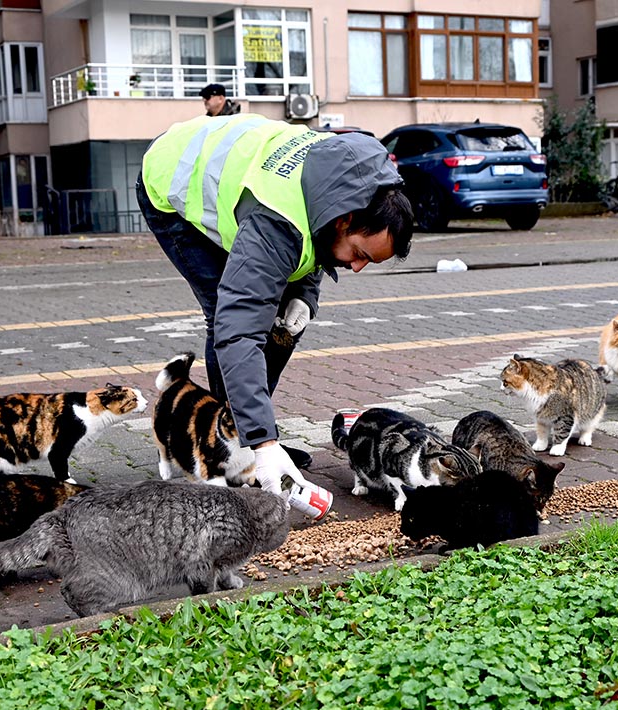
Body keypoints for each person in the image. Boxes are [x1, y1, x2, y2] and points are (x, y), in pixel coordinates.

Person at [136, 114, 413, 499]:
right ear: (346, 220)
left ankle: (246, 432)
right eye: (360, 254)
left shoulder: (352, 185)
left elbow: (317, 236)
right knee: (225, 310)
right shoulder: (275, 225)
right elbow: (239, 330)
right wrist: (264, 444)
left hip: (243, 176)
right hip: (172, 175)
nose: (356, 266)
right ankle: (230, 445)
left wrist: (305, 294)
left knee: (281, 325)